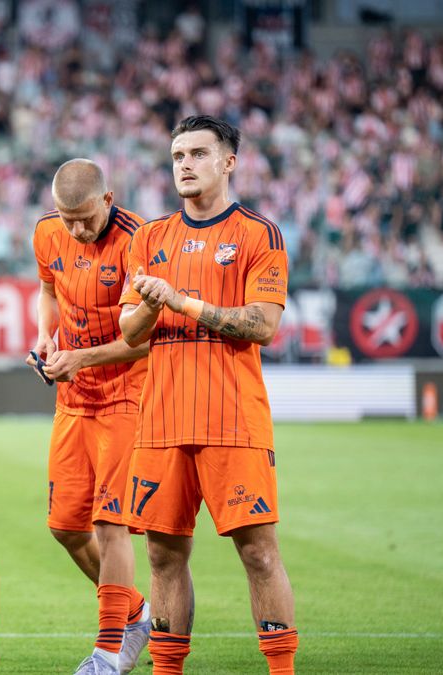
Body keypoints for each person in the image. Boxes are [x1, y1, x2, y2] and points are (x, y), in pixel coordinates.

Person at [118, 115, 298, 674]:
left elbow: (262, 324)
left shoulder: (257, 234)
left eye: (198, 153)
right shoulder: (150, 236)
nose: (186, 165)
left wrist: (181, 300)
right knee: (161, 555)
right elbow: (128, 331)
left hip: (233, 422)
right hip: (163, 423)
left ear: (228, 162)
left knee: (258, 552)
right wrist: (150, 303)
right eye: (177, 156)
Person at [26, 159, 152, 675]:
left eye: (83, 218)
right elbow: (49, 290)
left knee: (111, 520)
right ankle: (139, 613)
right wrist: (44, 337)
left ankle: (107, 650)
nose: (75, 229)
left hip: (127, 393)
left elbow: (142, 342)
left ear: (108, 199)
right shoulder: (47, 234)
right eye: (65, 218)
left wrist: (79, 358)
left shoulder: (139, 241)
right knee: (66, 527)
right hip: (74, 397)